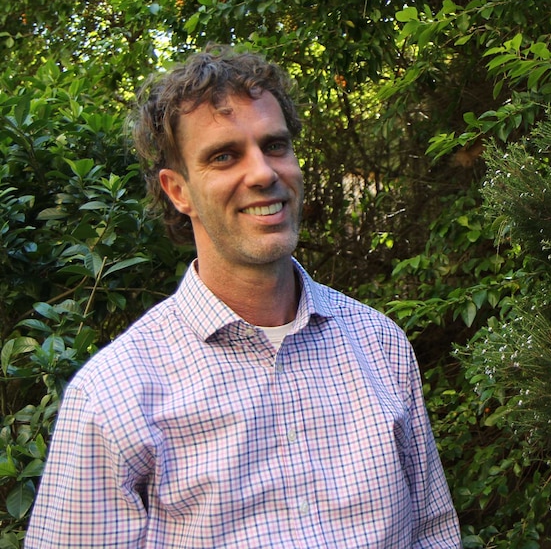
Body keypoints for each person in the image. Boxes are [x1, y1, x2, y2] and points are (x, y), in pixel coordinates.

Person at [25, 45, 461, 548]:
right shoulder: (114, 397)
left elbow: (433, 532)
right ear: (178, 191)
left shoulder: (380, 346)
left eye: (275, 145)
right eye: (224, 155)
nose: (262, 173)